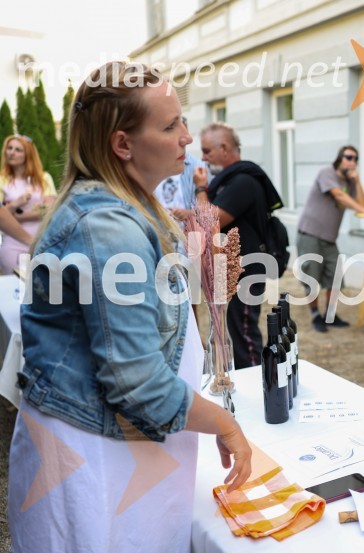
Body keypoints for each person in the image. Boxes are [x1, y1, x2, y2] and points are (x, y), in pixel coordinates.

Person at [9, 61, 251, 553]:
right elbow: (135, 381)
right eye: (169, 125)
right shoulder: (107, 226)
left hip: (120, 449)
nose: (186, 136)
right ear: (123, 144)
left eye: (182, 120)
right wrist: (226, 424)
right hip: (95, 459)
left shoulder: (125, 205)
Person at [197, 122, 282, 368]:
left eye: (207, 151)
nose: (203, 157)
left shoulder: (242, 181)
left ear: (224, 148)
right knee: (231, 331)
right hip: (231, 267)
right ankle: (241, 382)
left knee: (244, 334)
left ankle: (258, 383)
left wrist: (201, 189)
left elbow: (209, 221)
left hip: (245, 269)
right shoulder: (231, 180)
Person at [296, 145, 364, 332]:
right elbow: (339, 196)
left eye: (355, 159)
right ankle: (316, 315)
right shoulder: (327, 173)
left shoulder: (349, 182)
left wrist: (357, 181)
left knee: (335, 277)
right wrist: (363, 209)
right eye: (348, 157)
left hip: (329, 238)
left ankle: (330, 315)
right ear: (339, 158)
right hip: (310, 233)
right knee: (312, 277)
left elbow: (361, 203)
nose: (352, 161)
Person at [0, 135, 56, 273]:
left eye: (18, 150)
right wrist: (16, 204)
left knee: (43, 288)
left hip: (42, 243)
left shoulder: (44, 178)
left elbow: (49, 210)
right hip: (12, 244)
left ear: (28, 154)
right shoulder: (2, 180)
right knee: (15, 288)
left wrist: (18, 217)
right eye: (9, 148)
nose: (11, 152)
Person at [154, 117, 210, 222]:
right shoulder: (149, 165)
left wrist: (189, 214)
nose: (187, 139)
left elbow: (209, 215)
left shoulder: (199, 167)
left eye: (184, 132)